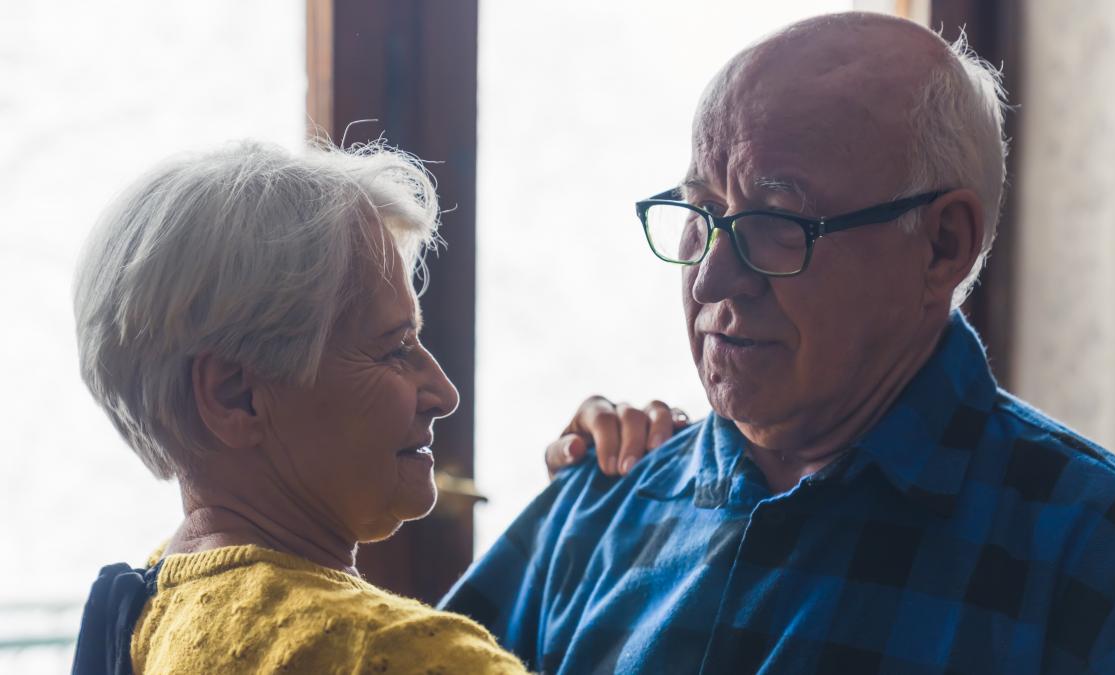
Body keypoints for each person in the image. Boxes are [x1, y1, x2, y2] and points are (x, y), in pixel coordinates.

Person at [443, 12, 1115, 674]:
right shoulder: (598, 508)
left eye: (778, 221)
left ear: (941, 244)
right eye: (702, 210)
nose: (712, 281)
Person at [68, 140, 668, 674]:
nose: (443, 393)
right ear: (235, 396)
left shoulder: (148, 612)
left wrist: (578, 528)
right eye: (395, 350)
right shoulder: (401, 656)